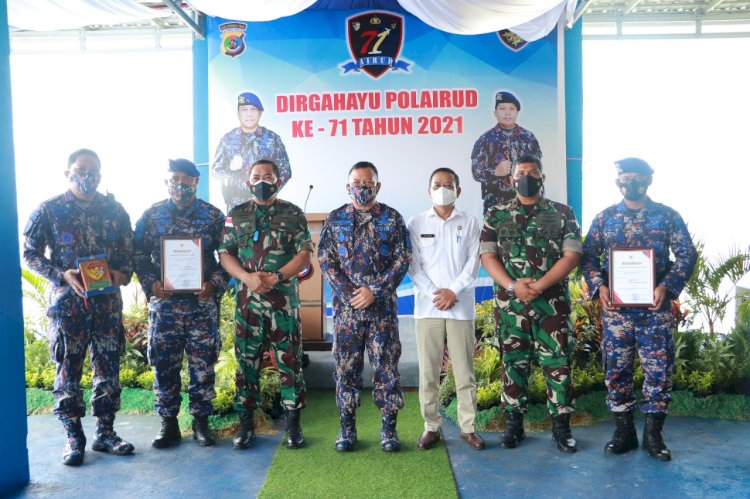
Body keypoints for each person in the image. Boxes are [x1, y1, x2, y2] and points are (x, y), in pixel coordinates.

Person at [23, 148, 134, 466]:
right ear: (68, 173)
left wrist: (120, 274)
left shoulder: (115, 210)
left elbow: (130, 254)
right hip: (68, 307)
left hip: (107, 306)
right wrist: (61, 274)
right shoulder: (49, 210)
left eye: (94, 170)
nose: (87, 175)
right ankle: (74, 438)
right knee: (68, 374)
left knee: (108, 371)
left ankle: (106, 434)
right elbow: (30, 253)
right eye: (81, 169)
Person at [581, 157, 698, 461]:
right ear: (616, 181)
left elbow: (687, 253)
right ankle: (623, 432)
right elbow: (588, 257)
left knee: (658, 372)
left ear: (649, 179)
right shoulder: (605, 218)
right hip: (616, 314)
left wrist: (668, 287)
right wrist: (599, 287)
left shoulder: (666, 217)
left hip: (654, 312)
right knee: (616, 371)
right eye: (623, 177)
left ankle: (653, 436)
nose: (628, 183)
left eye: (635, 177)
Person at [479, 154, 581, 453]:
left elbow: (571, 255)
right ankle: (514, 426)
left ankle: (561, 429)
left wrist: (539, 286)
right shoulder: (496, 215)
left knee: (558, 365)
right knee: (512, 365)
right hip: (511, 308)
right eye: (521, 172)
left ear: (542, 177)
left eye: (533, 172)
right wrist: (513, 286)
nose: (527, 177)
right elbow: (488, 256)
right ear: (511, 179)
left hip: (552, 306)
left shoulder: (563, 213)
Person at [218, 159, 312, 450]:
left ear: (278, 180)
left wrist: (276, 277)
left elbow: (305, 254)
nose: (262, 181)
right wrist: (248, 278)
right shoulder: (236, 215)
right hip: (248, 305)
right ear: (248, 182)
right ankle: (246, 427)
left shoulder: (293, 213)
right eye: (256, 176)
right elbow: (225, 254)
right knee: (246, 365)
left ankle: (293, 428)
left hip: (283, 304)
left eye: (267, 176)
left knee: (290, 363)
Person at [318, 161, 411, 453]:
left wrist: (375, 290)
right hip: (347, 314)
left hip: (382, 312)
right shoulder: (335, 219)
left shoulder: (393, 218)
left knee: (386, 370)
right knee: (346, 370)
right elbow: (326, 260)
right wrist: (350, 293)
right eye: (356, 182)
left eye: (367, 182)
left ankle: (389, 432)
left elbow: (403, 258)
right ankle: (347, 430)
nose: (362, 187)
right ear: (348, 187)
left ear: (377, 186)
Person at [133, 159, 227, 449]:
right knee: (164, 366)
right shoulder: (151, 215)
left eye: (186, 179)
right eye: (174, 179)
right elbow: (138, 255)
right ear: (166, 182)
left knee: (203, 366)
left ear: (196, 182)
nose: (180, 184)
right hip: (166, 306)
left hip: (201, 305)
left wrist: (213, 284)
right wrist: (152, 284)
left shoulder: (213, 216)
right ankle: (169, 424)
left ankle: (201, 422)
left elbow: (228, 258)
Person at [407, 167, 484, 451]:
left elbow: (473, 263)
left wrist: (454, 291)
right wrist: (434, 293)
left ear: (458, 191)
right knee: (428, 372)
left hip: (460, 307)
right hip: (427, 309)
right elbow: (413, 265)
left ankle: (468, 427)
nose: (443, 188)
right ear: (429, 191)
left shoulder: (471, 222)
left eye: (448, 184)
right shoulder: (416, 223)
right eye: (437, 184)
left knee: (464, 372)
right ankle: (431, 426)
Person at [211, 92, 292, 211]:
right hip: (236, 207)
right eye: (244, 110)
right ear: (238, 114)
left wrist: (269, 193)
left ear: (260, 113)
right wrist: (230, 167)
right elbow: (216, 172)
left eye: (253, 109)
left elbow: (285, 171)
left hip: (267, 206)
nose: (249, 114)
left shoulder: (272, 139)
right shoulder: (227, 139)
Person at [471, 91, 542, 213]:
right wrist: (495, 172)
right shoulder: (485, 139)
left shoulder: (528, 137)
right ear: (495, 112)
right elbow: (476, 172)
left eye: (511, 109)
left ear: (517, 112)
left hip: (526, 202)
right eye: (502, 108)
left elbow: (538, 171)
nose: (507, 112)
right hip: (496, 204)